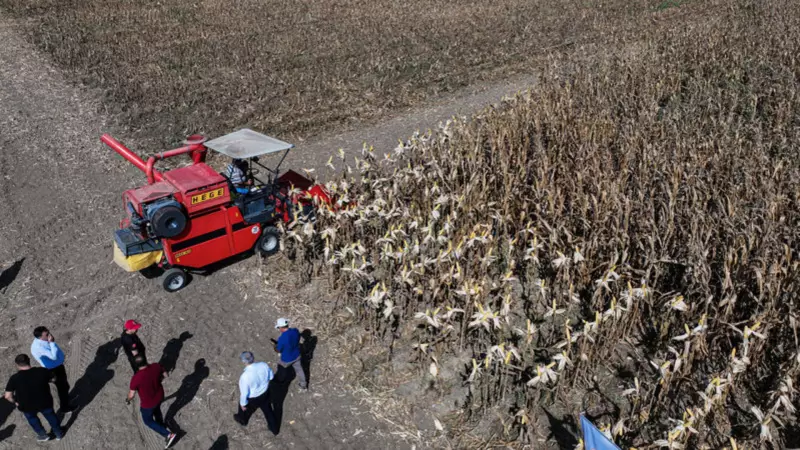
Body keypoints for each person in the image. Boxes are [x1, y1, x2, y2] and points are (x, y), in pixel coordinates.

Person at [4, 354, 63, 441]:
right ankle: (58, 433)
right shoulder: (42, 371)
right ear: (29, 361)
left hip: (26, 405)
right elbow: (54, 379)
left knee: (32, 419)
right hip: (44, 402)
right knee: (51, 416)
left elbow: (7, 396)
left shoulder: (14, 378)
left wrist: (15, 401)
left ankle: (43, 435)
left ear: (17, 364)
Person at [127, 356, 177, 449]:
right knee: (157, 410)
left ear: (136, 365)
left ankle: (168, 435)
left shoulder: (136, 378)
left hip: (148, 404)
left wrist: (128, 400)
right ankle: (161, 425)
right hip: (159, 396)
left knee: (148, 421)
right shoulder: (156, 366)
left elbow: (131, 394)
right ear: (146, 360)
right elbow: (166, 375)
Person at [30, 326, 73, 411]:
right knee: (62, 388)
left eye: (49, 332)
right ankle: (65, 407)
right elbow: (53, 356)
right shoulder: (39, 347)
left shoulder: (42, 340)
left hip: (57, 366)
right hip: (54, 369)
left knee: (65, 385)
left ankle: (66, 398)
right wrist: (52, 342)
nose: (50, 335)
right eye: (46, 334)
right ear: (40, 337)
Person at [234, 351, 277, 433]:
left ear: (244, 361)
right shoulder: (264, 365)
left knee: (242, 407)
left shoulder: (244, 377)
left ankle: (242, 419)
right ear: (253, 357)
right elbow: (271, 377)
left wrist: (243, 404)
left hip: (253, 398)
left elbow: (244, 394)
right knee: (268, 411)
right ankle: (274, 429)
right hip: (265, 393)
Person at [274, 318, 307, 390]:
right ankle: (303, 385)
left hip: (286, 359)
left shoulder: (282, 338)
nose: (279, 329)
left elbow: (278, 350)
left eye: (279, 327)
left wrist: (275, 347)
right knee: (299, 370)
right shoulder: (295, 331)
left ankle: (280, 381)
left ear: (282, 327)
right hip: (297, 355)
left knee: (281, 369)